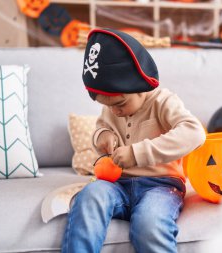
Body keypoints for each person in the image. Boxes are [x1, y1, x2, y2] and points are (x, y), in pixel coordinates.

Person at [61, 28, 206, 253]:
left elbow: (194, 132)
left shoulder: (164, 102)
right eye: (107, 105)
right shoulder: (112, 107)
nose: (114, 111)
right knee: (89, 197)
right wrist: (103, 136)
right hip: (116, 185)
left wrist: (138, 153)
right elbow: (102, 126)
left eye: (119, 104)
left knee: (149, 223)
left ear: (140, 86)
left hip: (161, 186)